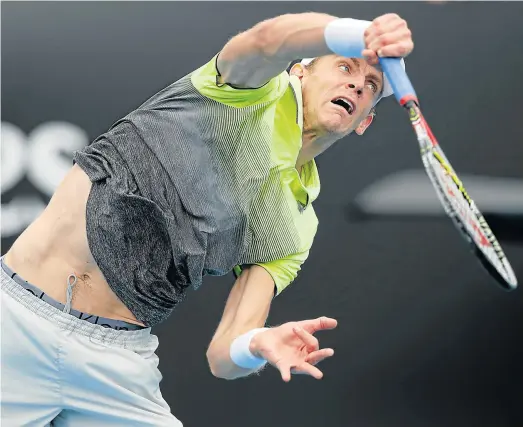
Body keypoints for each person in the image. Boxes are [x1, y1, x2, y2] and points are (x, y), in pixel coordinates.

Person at [1, 11, 414, 426]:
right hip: (16, 320)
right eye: (345, 66)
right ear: (299, 73)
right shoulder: (247, 92)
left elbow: (224, 355)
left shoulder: (295, 224)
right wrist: (358, 33)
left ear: (366, 121)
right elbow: (269, 38)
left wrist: (256, 344)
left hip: (114, 361)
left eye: (371, 86)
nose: (358, 84)